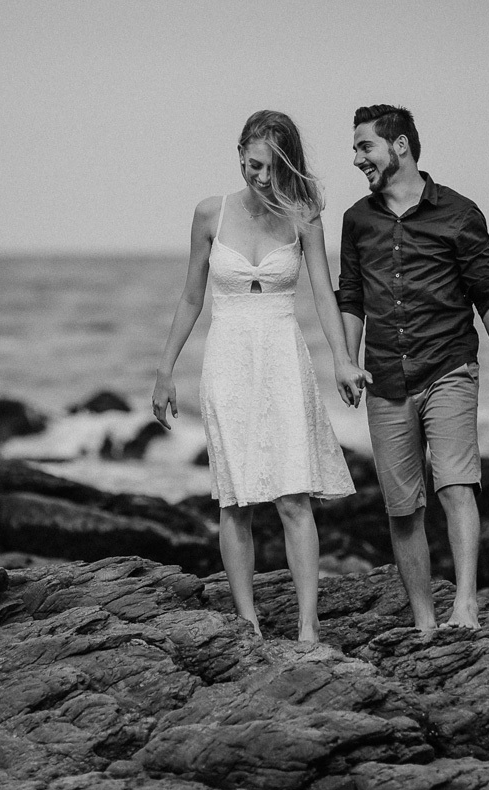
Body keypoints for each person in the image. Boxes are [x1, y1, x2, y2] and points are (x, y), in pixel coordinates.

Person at [152, 110, 368, 642]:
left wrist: (342, 358)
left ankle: (308, 624)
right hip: (226, 357)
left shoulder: (304, 218)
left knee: (294, 495)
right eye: (253, 165)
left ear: (287, 165)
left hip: (282, 354)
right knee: (236, 499)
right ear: (240, 155)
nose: (262, 178)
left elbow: (323, 293)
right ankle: (246, 622)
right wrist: (165, 370)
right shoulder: (210, 214)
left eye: (273, 168)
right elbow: (190, 296)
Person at [337, 104, 489, 631]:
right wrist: (346, 361)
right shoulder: (357, 220)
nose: (357, 159)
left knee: (456, 484)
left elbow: (488, 293)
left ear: (399, 145)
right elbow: (350, 295)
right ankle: (424, 622)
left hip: (449, 365)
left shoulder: (460, 213)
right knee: (402, 508)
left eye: (364, 146)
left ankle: (465, 603)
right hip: (384, 377)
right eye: (355, 149)